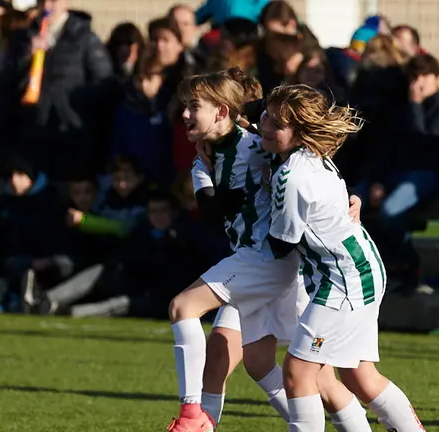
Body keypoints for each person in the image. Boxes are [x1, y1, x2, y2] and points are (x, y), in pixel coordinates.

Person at [166, 69, 368, 432]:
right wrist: (230, 180)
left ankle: (193, 416)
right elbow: (211, 211)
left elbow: (308, 159)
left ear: (223, 111)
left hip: (272, 260)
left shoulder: (256, 143)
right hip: (256, 260)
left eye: (193, 105)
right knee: (262, 364)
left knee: (184, 308)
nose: (184, 114)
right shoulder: (204, 161)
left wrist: (346, 199)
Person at [262, 84, 425, 432]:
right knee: (359, 375)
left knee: (297, 372)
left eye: (276, 123)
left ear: (301, 133)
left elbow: (280, 244)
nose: (264, 125)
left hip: (343, 281)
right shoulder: (313, 158)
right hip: (362, 269)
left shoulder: (292, 175)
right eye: (266, 116)